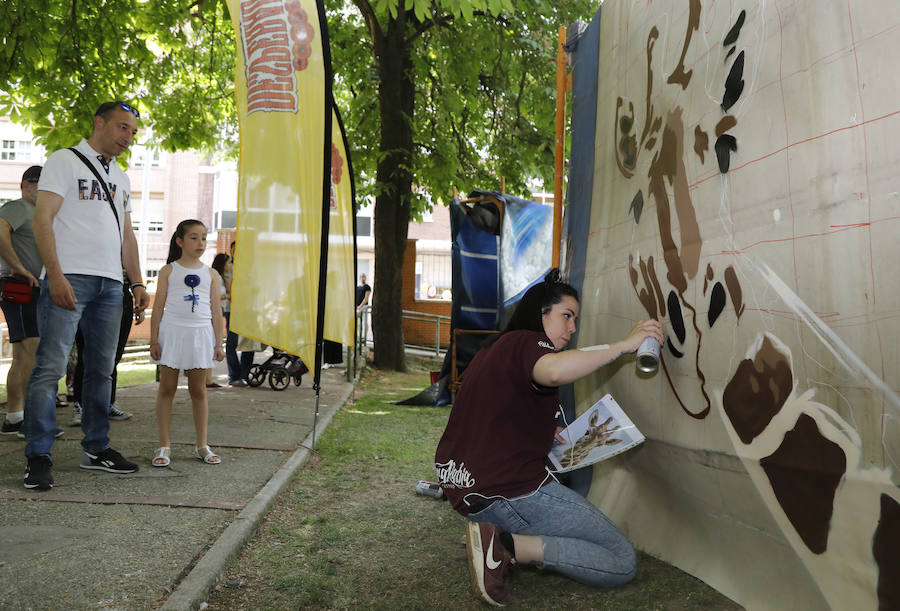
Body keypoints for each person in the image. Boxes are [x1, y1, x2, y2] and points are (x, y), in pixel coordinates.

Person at [434, 269, 664, 606]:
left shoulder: (493, 349)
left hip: (465, 491)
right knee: (621, 560)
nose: (571, 329)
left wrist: (542, 430)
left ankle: (495, 536)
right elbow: (553, 370)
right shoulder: (531, 342)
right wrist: (623, 346)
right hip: (510, 493)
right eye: (566, 316)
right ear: (540, 314)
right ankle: (505, 547)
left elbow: (497, 412)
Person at [23, 101, 150, 490]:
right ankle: (38, 455)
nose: (128, 137)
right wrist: (56, 276)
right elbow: (42, 219)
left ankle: (96, 448)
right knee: (50, 367)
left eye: (133, 131)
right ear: (99, 123)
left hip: (112, 284)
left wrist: (138, 282)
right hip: (70, 279)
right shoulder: (64, 160)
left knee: (101, 371)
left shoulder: (123, 178)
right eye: (122, 128)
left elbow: (125, 234)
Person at [149, 220, 225, 467]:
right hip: (172, 334)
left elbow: (216, 310)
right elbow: (158, 307)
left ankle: (202, 444)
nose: (200, 243)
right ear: (180, 241)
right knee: (167, 389)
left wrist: (218, 343)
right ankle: (164, 445)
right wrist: (154, 340)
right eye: (194, 237)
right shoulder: (168, 271)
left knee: (199, 390)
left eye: (203, 238)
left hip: (199, 335)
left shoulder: (211, 273)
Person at [0, 166, 62, 438]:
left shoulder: (39, 214)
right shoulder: (18, 207)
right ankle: (23, 418)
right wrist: (18, 267)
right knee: (30, 351)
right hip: (19, 286)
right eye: (41, 183)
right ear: (26, 184)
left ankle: (17, 417)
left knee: (24, 354)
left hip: (34, 287)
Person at [70, 271, 142, 425]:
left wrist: (138, 291)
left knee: (113, 355)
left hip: (121, 292)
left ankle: (108, 403)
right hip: (89, 288)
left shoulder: (126, 247)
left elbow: (132, 264)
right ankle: (80, 406)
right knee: (86, 353)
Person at [224, 239, 254, 386]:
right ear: (231, 251)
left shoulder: (250, 267)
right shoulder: (229, 267)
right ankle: (234, 376)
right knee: (232, 343)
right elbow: (228, 288)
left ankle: (245, 374)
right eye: (234, 250)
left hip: (249, 309)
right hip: (232, 310)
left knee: (249, 344)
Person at [206, 252, 230, 388]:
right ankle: (207, 379)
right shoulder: (215, 276)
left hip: (216, 312)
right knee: (210, 344)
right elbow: (213, 296)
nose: (229, 265)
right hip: (211, 314)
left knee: (211, 343)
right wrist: (226, 296)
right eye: (228, 263)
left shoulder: (221, 277)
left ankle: (208, 378)